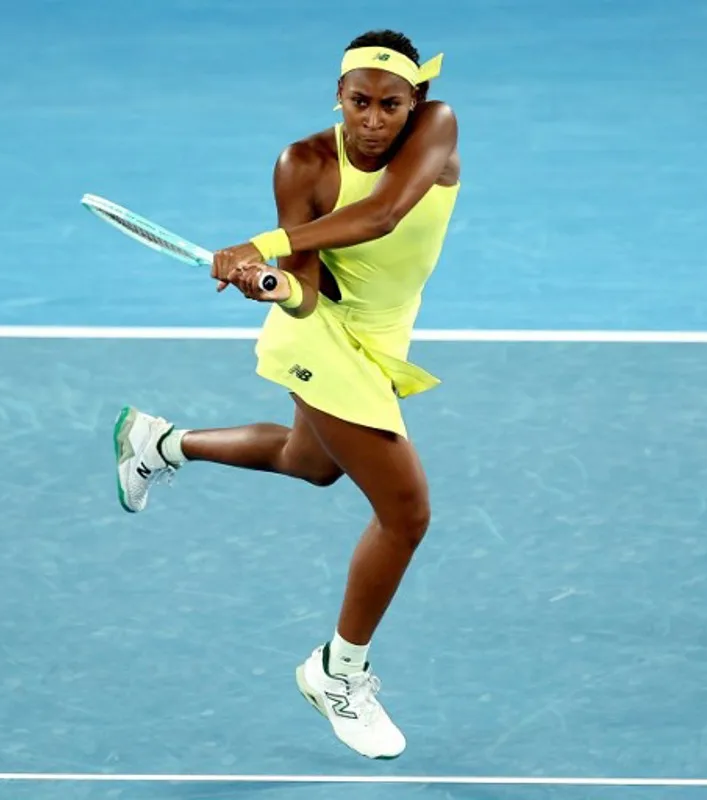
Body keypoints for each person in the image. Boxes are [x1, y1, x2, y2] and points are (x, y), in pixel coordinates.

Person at [112, 29, 460, 760]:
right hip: (321, 341)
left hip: (384, 336)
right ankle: (338, 671)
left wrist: (260, 252)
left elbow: (384, 215)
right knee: (406, 513)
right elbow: (304, 293)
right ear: (337, 98)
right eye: (358, 102)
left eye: (389, 105)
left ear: (414, 103)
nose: (373, 119)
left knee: (314, 461)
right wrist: (271, 285)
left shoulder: (439, 126)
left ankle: (160, 443)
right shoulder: (301, 163)